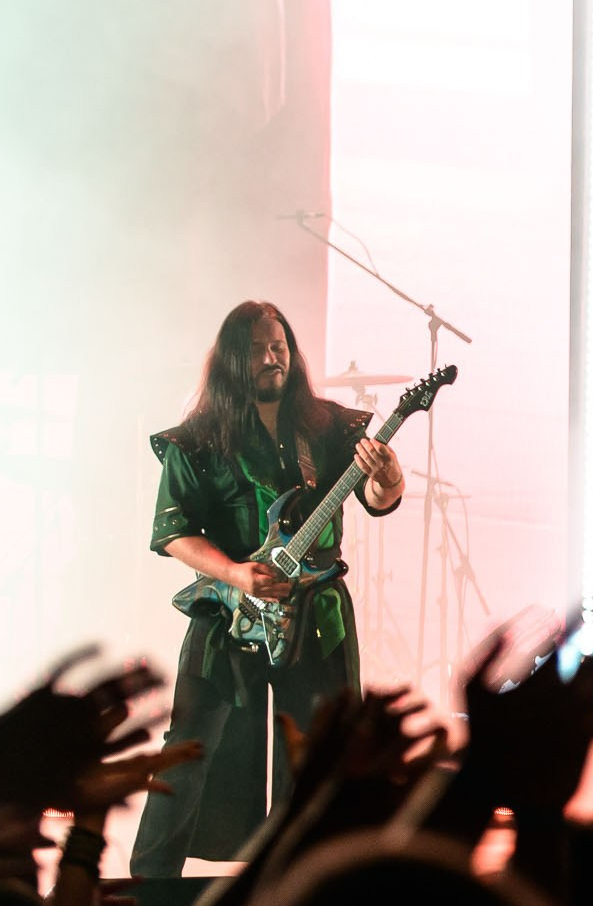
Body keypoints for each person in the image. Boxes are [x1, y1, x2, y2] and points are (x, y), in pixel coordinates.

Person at [128, 301, 400, 875]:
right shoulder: (198, 439)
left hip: (316, 611)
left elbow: (377, 502)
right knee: (188, 746)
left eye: (279, 345)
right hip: (227, 609)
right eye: (257, 348)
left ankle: (315, 884)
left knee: (326, 753)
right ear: (233, 359)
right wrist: (234, 573)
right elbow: (173, 531)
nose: (272, 357)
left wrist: (388, 480)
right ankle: (148, 892)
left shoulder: (332, 428)